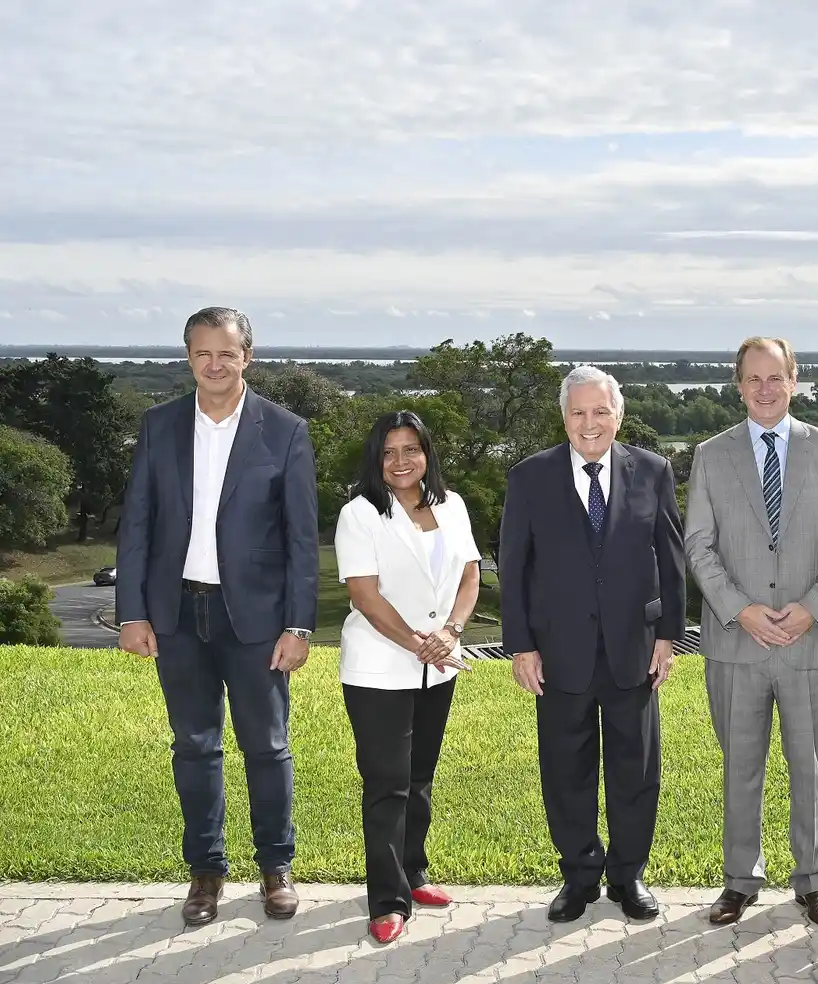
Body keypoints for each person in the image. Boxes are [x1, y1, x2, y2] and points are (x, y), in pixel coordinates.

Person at [115, 307, 318, 926]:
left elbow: (302, 538)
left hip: (255, 619)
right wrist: (133, 613)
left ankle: (275, 871)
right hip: (178, 614)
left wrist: (299, 624)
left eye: (227, 353)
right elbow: (139, 523)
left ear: (247, 357)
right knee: (194, 747)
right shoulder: (159, 426)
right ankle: (206, 874)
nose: (215, 364)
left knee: (268, 746)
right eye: (203, 353)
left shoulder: (285, 431)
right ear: (188, 358)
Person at [498, 366, 686, 923]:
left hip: (634, 651)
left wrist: (668, 635)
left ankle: (628, 877)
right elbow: (514, 567)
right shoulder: (529, 477)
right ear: (564, 417)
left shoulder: (652, 471)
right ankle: (578, 877)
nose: (589, 422)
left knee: (636, 769)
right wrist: (521, 647)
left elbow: (670, 561)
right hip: (558, 656)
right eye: (578, 412)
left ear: (618, 415)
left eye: (600, 411)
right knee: (566, 770)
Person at [684, 336, 818, 928]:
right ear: (738, 385)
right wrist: (742, 610)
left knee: (809, 766)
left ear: (794, 380)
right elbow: (699, 547)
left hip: (813, 642)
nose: (765, 389)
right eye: (753, 379)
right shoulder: (710, 455)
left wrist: (813, 607)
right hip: (738, 642)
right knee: (741, 764)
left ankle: (813, 882)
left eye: (775, 378)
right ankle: (739, 881)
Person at [334, 411, 481, 944]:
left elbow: (470, 574)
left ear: (427, 454)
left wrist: (451, 631)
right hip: (380, 667)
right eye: (390, 451)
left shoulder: (451, 504)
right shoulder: (360, 514)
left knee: (420, 779)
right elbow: (365, 596)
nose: (401, 461)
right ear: (377, 458)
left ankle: (413, 873)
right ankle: (387, 900)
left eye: (411, 449)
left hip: (437, 667)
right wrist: (422, 643)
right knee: (387, 786)